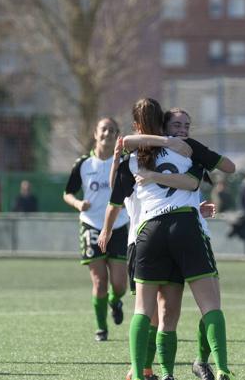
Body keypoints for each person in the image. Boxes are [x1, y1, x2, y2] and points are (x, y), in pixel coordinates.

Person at [99, 98, 236, 380]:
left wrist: (107, 228)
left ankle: (150, 371)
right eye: (177, 125)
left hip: (148, 233)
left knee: (154, 310)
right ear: (162, 127)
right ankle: (209, 368)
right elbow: (194, 181)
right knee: (183, 308)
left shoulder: (136, 158)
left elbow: (118, 190)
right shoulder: (186, 150)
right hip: (181, 228)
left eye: (187, 125)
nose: (183, 130)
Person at [63, 117, 130, 342]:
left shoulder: (125, 162)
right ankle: (101, 328)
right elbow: (67, 193)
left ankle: (115, 300)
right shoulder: (83, 164)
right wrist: (78, 204)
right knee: (99, 281)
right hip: (91, 225)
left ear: (117, 135)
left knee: (120, 284)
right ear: (95, 133)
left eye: (112, 130)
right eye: (104, 129)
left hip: (119, 226)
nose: (108, 134)